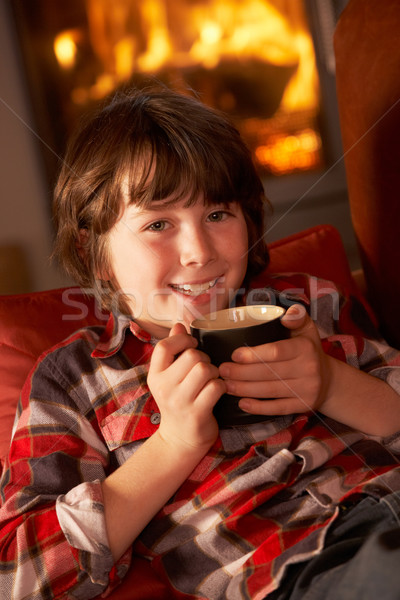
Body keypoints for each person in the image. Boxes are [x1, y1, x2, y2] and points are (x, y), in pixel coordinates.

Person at [1, 85, 400, 600]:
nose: (198, 252)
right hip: (306, 568)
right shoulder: (72, 377)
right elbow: (19, 576)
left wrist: (331, 385)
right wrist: (173, 445)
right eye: (159, 223)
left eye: (218, 214)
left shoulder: (308, 303)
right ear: (95, 250)